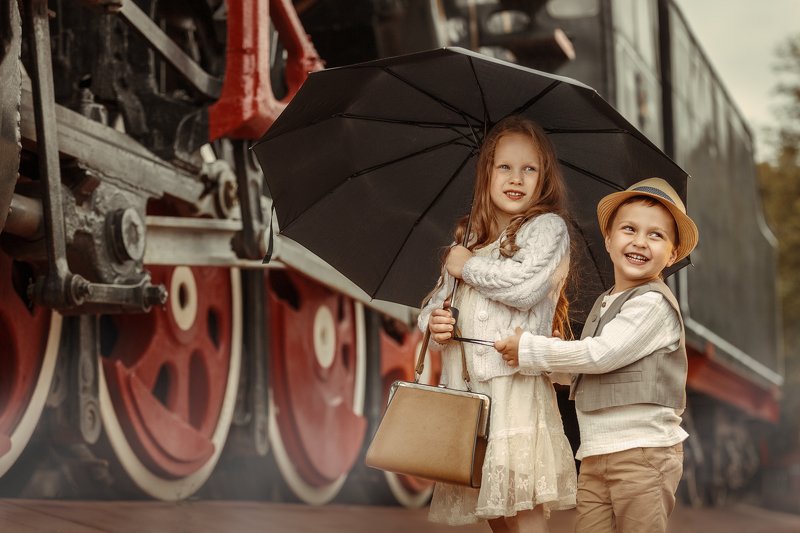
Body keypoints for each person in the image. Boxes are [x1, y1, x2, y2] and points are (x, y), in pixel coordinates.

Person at [495, 177, 700, 533]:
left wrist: (534, 349)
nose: (640, 241)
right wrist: (556, 367)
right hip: (594, 455)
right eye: (629, 229)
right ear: (608, 239)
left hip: (643, 455)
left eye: (656, 235)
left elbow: (600, 356)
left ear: (673, 253)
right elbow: (592, 372)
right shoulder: (605, 303)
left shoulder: (653, 304)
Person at [419, 115, 577, 532]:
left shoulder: (547, 228)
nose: (516, 178)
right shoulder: (468, 237)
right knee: (494, 508)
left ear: (543, 179)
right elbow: (436, 303)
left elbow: (524, 288)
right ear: (486, 172)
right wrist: (434, 324)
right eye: (504, 166)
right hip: (469, 389)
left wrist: (467, 267)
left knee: (521, 502)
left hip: (515, 387)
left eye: (530, 169)